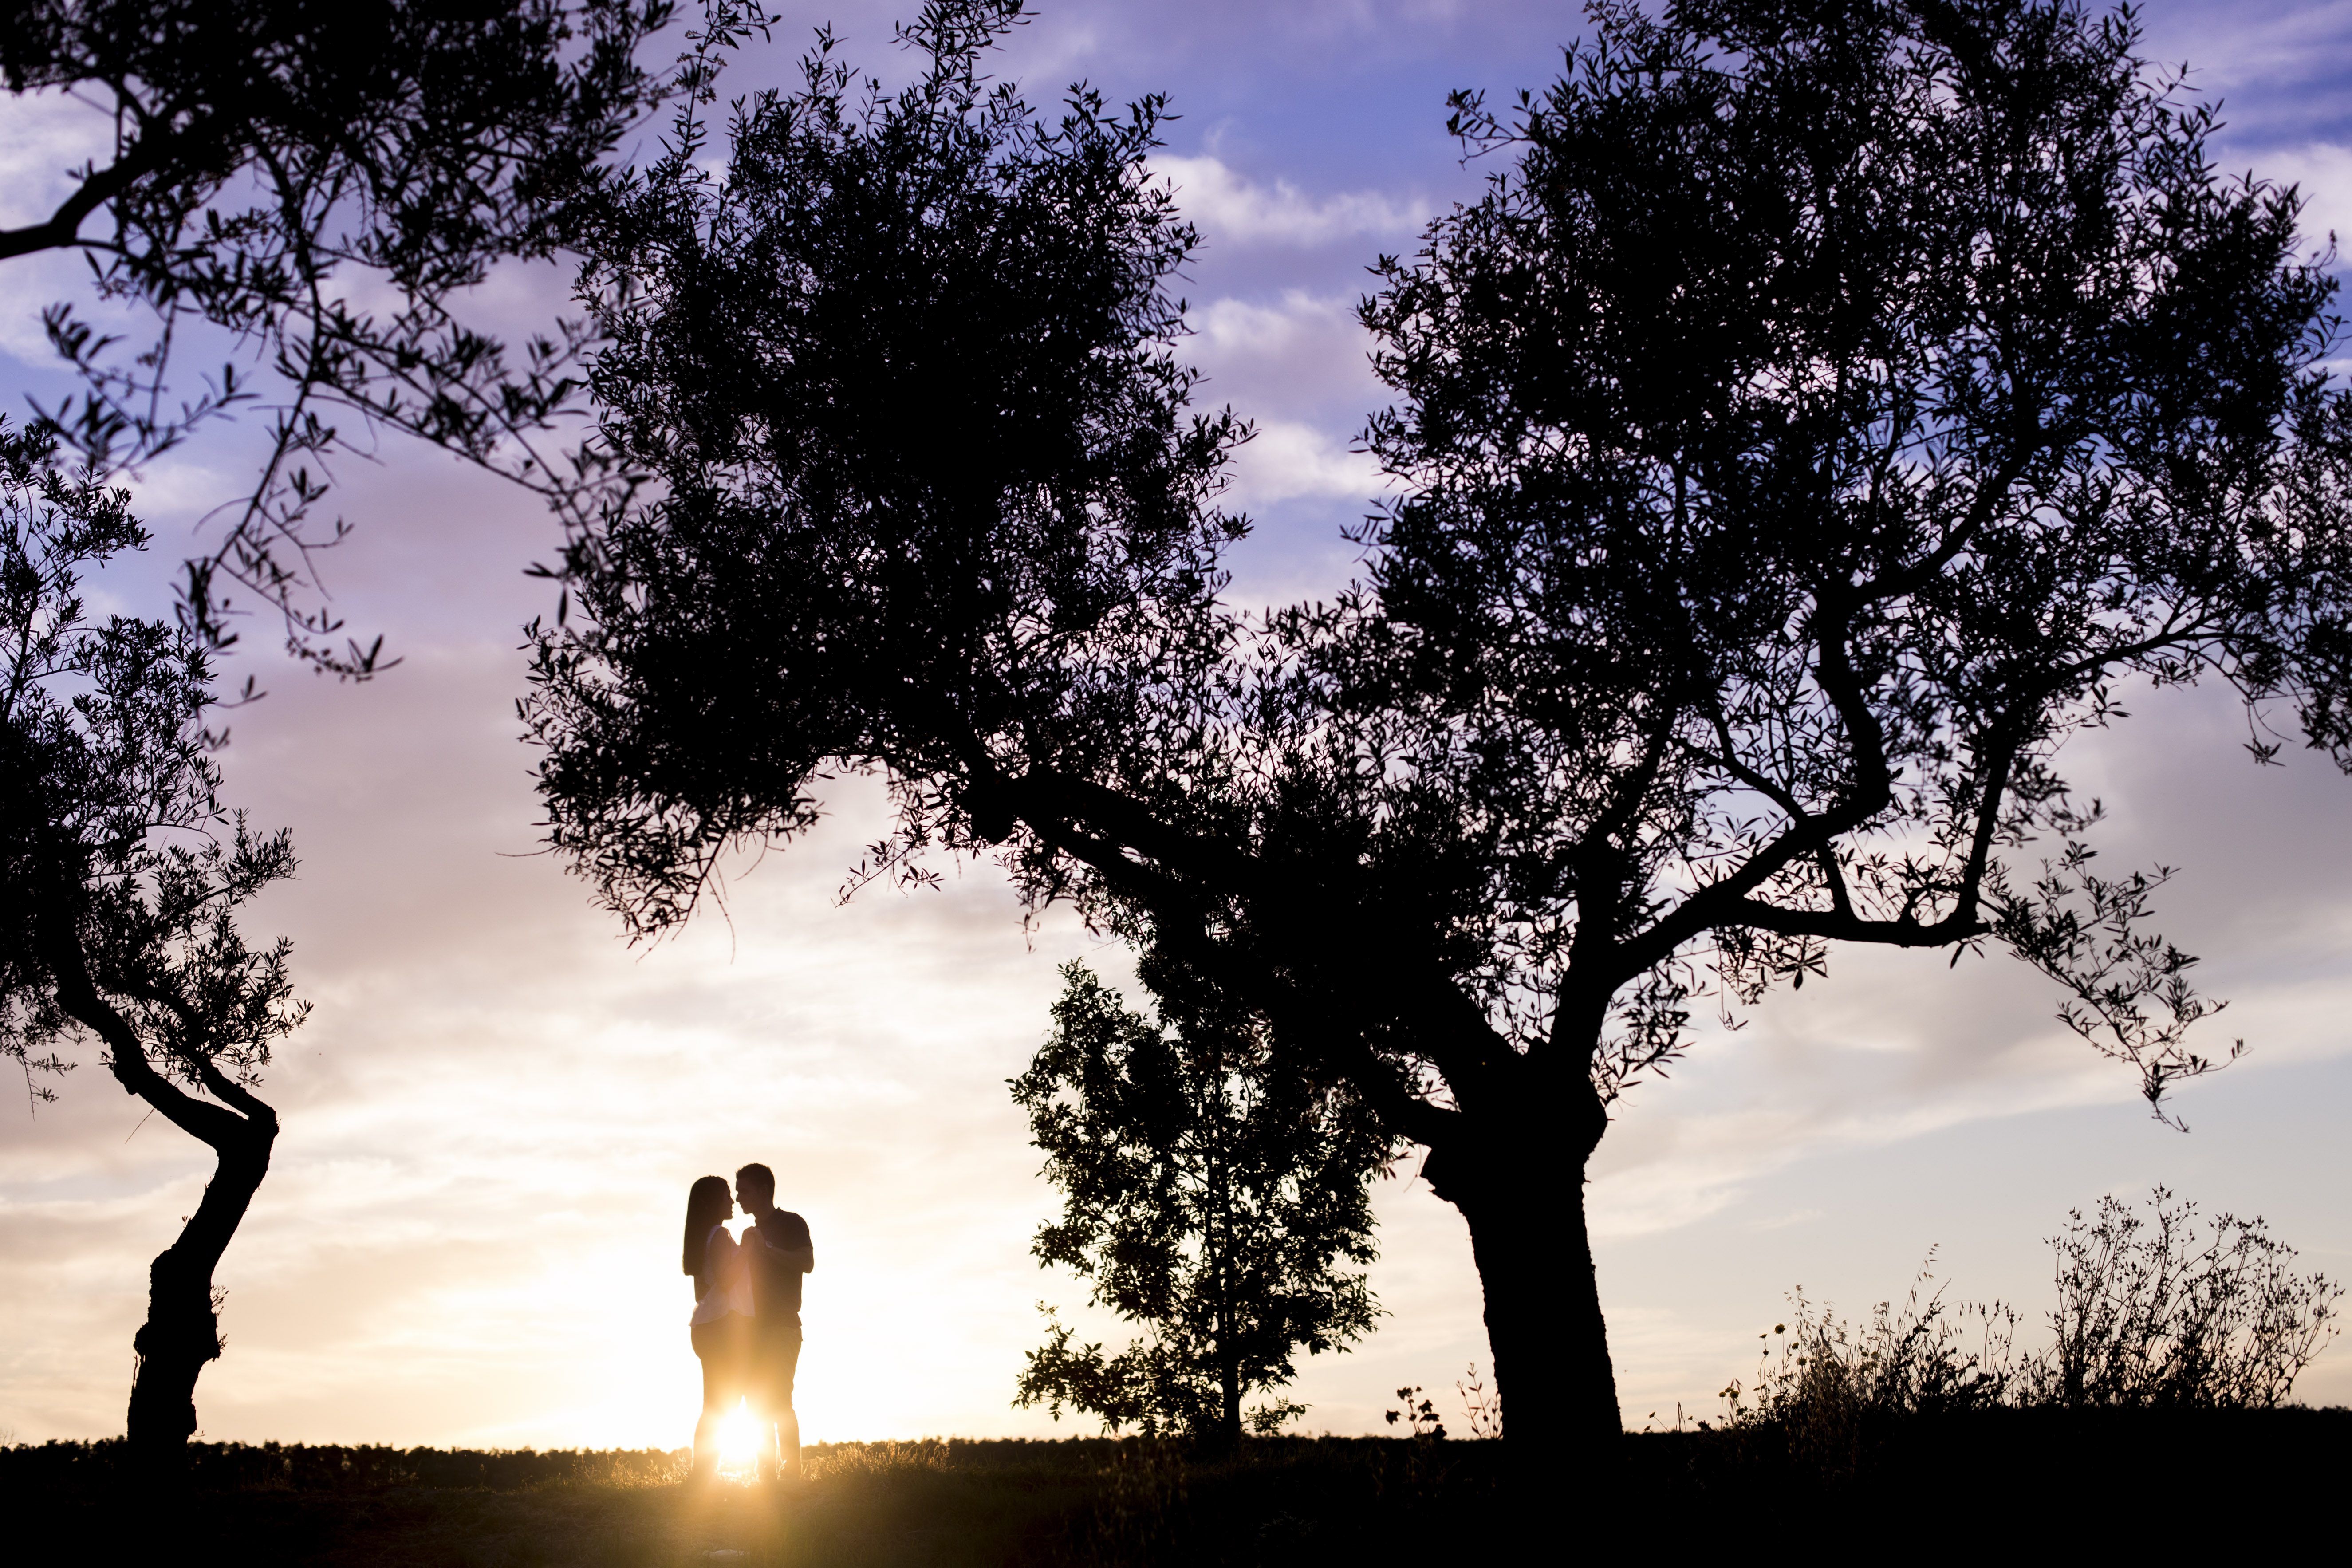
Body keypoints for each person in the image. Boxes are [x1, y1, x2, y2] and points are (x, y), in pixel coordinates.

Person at [733, 1162, 815, 1481]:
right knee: (755, 1402)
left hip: (783, 1326)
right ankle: (765, 1475)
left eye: (744, 1191)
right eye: (737, 1192)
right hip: (752, 1332)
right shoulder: (747, 1234)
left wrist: (766, 1248)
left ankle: (792, 1475)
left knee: (780, 1398)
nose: (739, 1198)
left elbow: (806, 1262)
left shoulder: (792, 1223)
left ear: (763, 1191)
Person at [683, 1174, 752, 1481]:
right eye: (727, 1195)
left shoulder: (703, 1238)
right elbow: (726, 1280)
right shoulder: (721, 1236)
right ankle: (703, 1476)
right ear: (713, 1202)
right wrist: (748, 1248)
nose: (733, 1201)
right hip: (723, 1325)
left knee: (716, 1403)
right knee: (722, 1403)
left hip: (706, 1324)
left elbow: (702, 1292)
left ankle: (703, 1474)